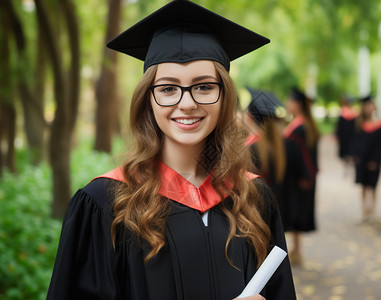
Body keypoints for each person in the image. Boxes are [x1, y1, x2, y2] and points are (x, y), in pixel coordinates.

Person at [46, 1, 296, 299]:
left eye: (204, 86)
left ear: (224, 96)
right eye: (167, 88)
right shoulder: (106, 205)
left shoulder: (253, 199)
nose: (187, 103)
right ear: (147, 100)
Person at [282, 88, 319, 266]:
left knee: (297, 211)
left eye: (289, 101)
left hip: (299, 178)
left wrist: (306, 176)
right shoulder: (301, 124)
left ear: (297, 104)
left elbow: (304, 155)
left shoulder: (300, 127)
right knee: (296, 211)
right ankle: (296, 249)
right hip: (297, 177)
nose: (287, 105)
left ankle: (297, 251)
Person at [244, 89, 287, 223]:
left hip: (255, 211)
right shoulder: (276, 144)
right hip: (274, 207)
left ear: (250, 116)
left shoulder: (251, 147)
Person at [352, 95, 381, 222]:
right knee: (363, 184)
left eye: (371, 104)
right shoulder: (359, 122)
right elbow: (355, 141)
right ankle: (363, 210)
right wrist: (355, 156)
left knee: (372, 185)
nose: (369, 107)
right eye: (366, 105)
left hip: (374, 159)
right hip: (361, 159)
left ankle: (372, 210)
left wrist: (375, 160)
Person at [335, 95, 357, 176]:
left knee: (346, 153)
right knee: (349, 152)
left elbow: (338, 127)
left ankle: (346, 168)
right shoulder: (353, 113)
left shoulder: (343, 113)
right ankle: (348, 167)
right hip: (350, 137)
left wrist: (337, 135)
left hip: (344, 137)